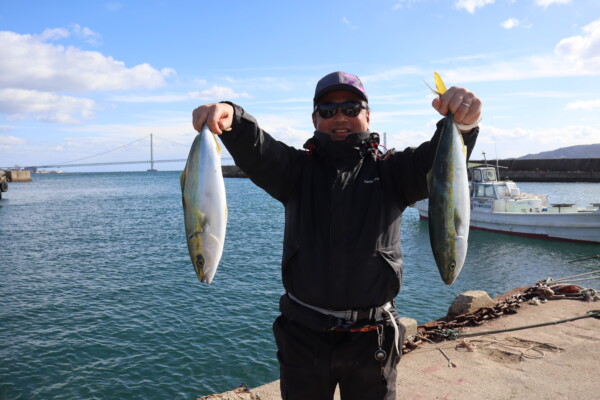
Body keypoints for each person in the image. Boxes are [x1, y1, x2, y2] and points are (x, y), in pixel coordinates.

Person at [192, 71, 481, 400]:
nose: (339, 117)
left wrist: (463, 126)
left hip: (374, 338)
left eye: (351, 108)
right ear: (315, 119)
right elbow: (259, 150)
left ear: (368, 115)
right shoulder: (294, 171)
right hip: (303, 335)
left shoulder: (393, 171)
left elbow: (440, 162)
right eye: (328, 111)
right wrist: (233, 118)